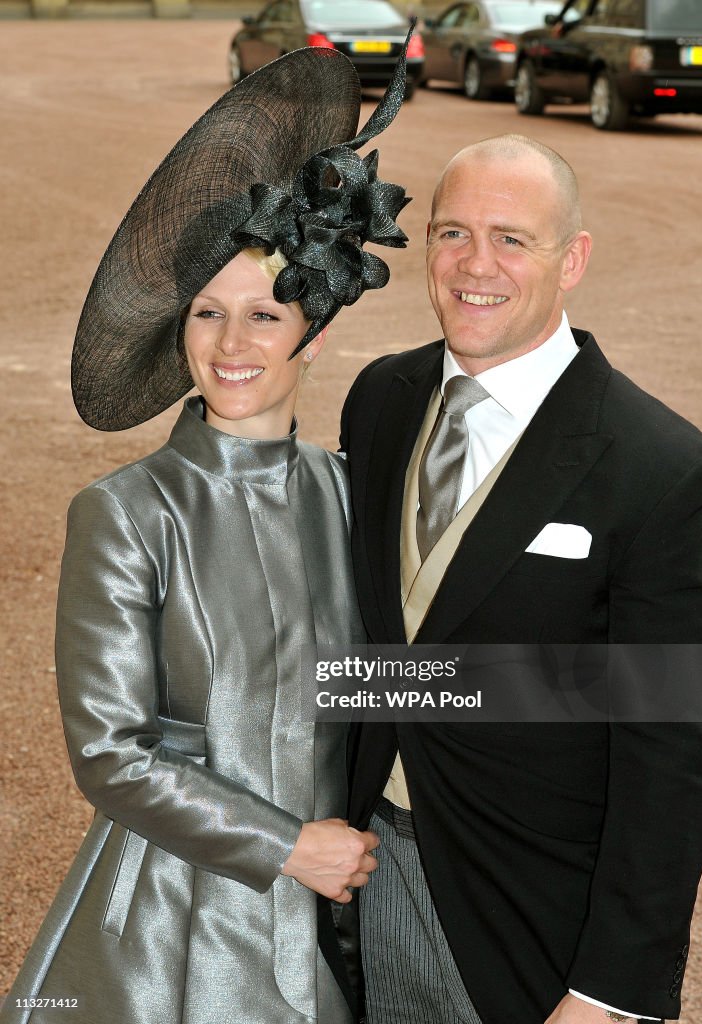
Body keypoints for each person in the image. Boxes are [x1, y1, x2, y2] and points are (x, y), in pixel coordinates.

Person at [0, 42, 411, 1024]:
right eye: (205, 313)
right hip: (170, 927)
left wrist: (618, 686)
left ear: (312, 332)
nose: (230, 345)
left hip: (326, 912)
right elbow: (112, 753)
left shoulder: (348, 496)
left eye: (263, 315)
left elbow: (375, 679)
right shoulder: (124, 513)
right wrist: (288, 846)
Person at [340, 134, 702, 1024]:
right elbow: (386, 645)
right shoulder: (381, 398)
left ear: (571, 260)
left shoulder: (661, 468)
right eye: (452, 233)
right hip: (366, 873)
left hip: (533, 922)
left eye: (511, 239)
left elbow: (670, 752)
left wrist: (609, 991)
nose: (475, 265)